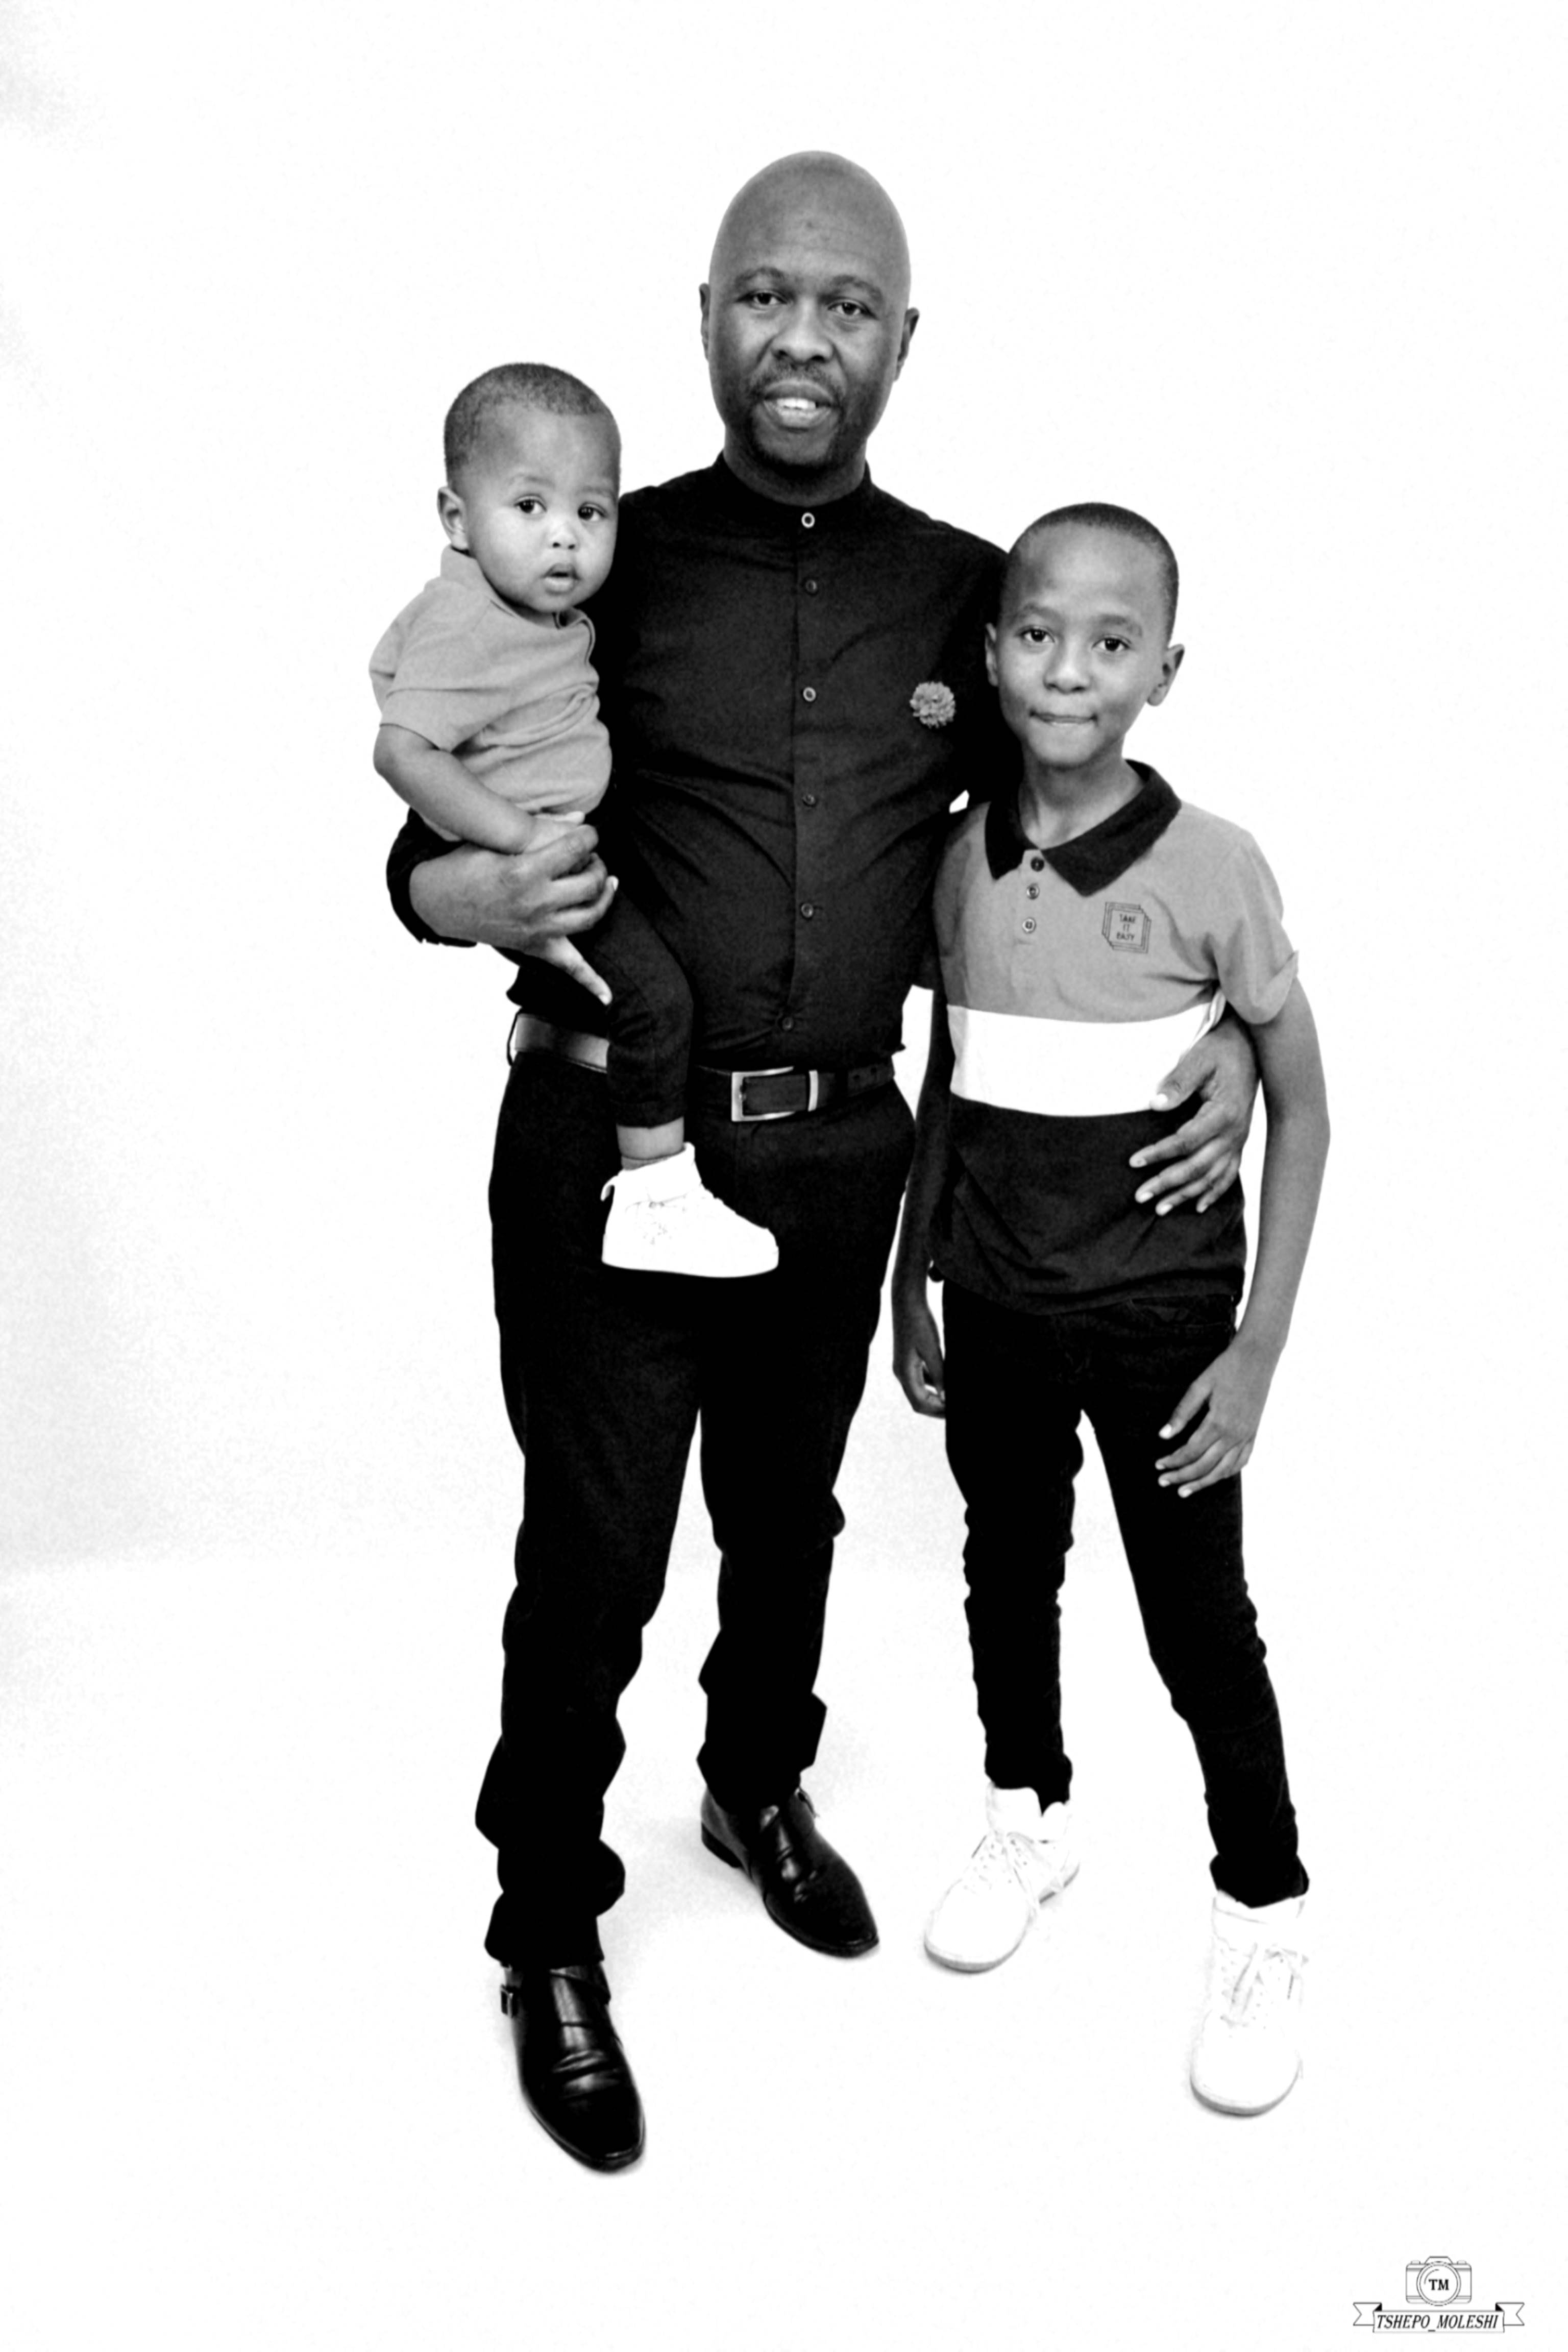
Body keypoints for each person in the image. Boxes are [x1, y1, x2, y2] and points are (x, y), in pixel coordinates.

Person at [386, 159, 1259, 2172]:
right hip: (610, 1142)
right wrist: (456, 884)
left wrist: (1222, 1016)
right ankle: (546, 1926)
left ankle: (754, 1781)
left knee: (790, 1516)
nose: (803, 336)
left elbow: (1090, 812)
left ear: (901, 340)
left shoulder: (964, 586)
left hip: (844, 1147)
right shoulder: (596, 552)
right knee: (596, 1547)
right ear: (707, 316)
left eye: (846, 305)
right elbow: (424, 821)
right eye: (766, 296)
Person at [892, 502, 1329, 2116]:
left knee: (1197, 1624)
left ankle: (1264, 1908)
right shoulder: (957, 857)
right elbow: (954, 1081)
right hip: (998, 1299)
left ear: (1164, 670)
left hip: (1162, 1324)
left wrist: (1257, 1351)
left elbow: (1305, 1107)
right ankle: (1029, 1818)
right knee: (1006, 1572)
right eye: (1038, 635)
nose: (1068, 670)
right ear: (995, 652)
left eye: (1111, 642)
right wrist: (911, 1278)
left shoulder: (1215, 865)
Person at [372, 361, 776, 1278]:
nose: (565, 536)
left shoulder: (529, 615)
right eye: (530, 507)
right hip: (530, 851)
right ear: (456, 519)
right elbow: (401, 752)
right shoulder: (468, 623)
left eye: (591, 512)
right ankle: (654, 1199)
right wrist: (515, 840)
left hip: (546, 838)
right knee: (654, 1002)